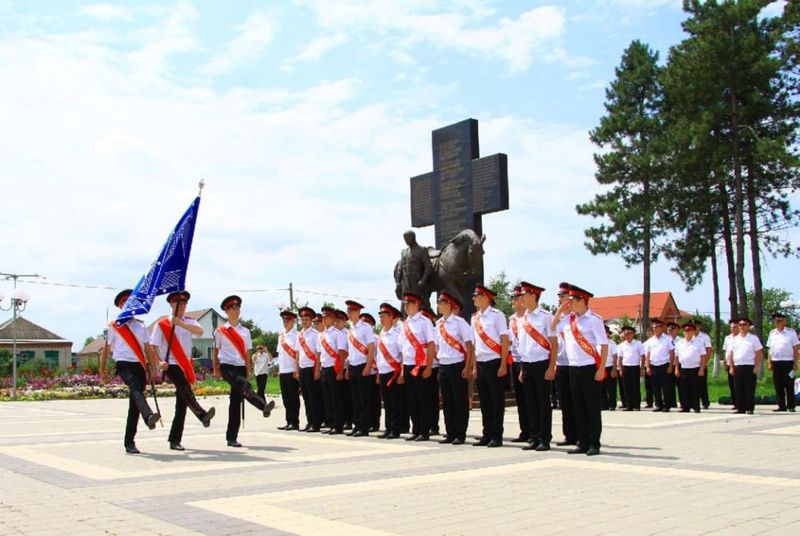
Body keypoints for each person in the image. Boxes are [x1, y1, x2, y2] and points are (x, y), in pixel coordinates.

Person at [148, 291, 215, 451]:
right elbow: (152, 345)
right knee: (185, 388)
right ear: (171, 305)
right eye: (179, 304)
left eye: (184, 304)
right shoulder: (162, 324)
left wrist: (180, 324)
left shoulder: (190, 322)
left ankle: (174, 439)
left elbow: (200, 332)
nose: (182, 306)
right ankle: (201, 414)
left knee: (182, 403)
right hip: (171, 363)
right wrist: (159, 361)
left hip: (185, 364)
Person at [100, 289, 161, 454]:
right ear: (120, 306)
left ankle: (129, 442)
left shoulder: (141, 325)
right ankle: (148, 416)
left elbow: (147, 348)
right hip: (124, 364)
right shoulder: (114, 326)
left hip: (139, 365)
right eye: (124, 302)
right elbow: (106, 349)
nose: (127, 305)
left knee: (134, 406)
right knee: (135, 388)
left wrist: (153, 366)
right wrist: (102, 368)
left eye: (130, 301)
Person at [551, 284, 607, 456]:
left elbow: (603, 345)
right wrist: (561, 308)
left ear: (581, 300)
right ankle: (582, 442)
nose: (569, 302)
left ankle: (594, 444)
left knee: (591, 407)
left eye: (572, 299)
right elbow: (552, 327)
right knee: (578, 407)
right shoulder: (569, 319)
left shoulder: (594, 320)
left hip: (589, 368)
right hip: (573, 368)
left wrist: (601, 368)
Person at [212, 295, 276, 447]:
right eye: (232, 308)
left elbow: (247, 353)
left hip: (240, 366)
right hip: (227, 366)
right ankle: (262, 405)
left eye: (238, 308)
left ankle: (231, 437)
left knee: (236, 401)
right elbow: (216, 350)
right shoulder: (220, 331)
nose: (236, 311)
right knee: (244, 387)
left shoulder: (245, 331)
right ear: (226, 311)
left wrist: (248, 370)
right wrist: (216, 368)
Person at [516, 281, 556, 452]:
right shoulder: (522, 319)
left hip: (542, 364)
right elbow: (521, 344)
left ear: (533, 296)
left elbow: (554, 343)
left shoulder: (546, 316)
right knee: (530, 403)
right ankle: (533, 437)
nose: (521, 298)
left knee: (543, 403)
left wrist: (552, 366)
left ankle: (544, 438)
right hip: (527, 364)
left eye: (524, 295)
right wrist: (522, 368)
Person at [471, 284, 510, 448]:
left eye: (477, 296)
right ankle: (486, 434)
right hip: (480, 363)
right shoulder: (474, 318)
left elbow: (504, 340)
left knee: (496, 401)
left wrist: (503, 364)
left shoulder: (497, 315)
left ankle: (496, 435)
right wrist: (474, 366)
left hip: (494, 362)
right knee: (485, 401)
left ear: (486, 297)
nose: (474, 298)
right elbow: (474, 345)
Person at [435, 291, 474, 445]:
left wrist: (467, 366)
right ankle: (450, 433)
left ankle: (460, 433)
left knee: (459, 401)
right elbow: (437, 346)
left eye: (440, 303)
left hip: (458, 365)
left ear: (449, 305)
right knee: (447, 401)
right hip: (444, 365)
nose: (438, 305)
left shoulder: (460, 323)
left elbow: (469, 346)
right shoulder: (438, 325)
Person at [398, 291, 436, 442]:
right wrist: (401, 370)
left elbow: (431, 345)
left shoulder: (424, 321)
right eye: (405, 304)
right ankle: (416, 429)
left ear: (416, 305)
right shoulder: (404, 324)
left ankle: (424, 431)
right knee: (412, 399)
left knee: (422, 399)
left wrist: (429, 367)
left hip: (421, 364)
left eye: (408, 304)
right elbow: (403, 349)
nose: (406, 307)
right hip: (408, 365)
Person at [344, 300, 376, 437]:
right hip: (353, 366)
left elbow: (371, 348)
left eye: (351, 312)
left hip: (363, 366)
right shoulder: (350, 329)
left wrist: (368, 366)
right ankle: (357, 425)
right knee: (354, 398)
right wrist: (347, 368)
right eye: (348, 311)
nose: (349, 314)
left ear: (358, 312)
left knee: (364, 398)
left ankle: (364, 427)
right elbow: (350, 350)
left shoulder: (365, 328)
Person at [376, 303, 404, 439]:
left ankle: (395, 429)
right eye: (380, 316)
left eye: (383, 316)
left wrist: (402, 373)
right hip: (383, 372)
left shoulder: (397, 334)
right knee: (387, 403)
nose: (381, 319)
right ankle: (388, 428)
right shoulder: (381, 333)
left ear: (391, 317)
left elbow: (403, 354)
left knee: (395, 402)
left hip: (394, 373)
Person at [319, 306, 347, 434]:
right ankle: (330, 423)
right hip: (324, 368)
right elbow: (320, 354)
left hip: (334, 369)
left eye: (327, 317)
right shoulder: (322, 335)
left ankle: (338, 425)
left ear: (332, 318)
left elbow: (342, 354)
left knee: (336, 398)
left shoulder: (338, 334)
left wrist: (341, 371)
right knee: (327, 398)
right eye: (323, 317)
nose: (324, 320)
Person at [727, 317, 763, 415]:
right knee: (738, 388)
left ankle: (749, 408)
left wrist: (757, 366)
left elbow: (759, 353)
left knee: (749, 388)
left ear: (748, 326)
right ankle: (740, 408)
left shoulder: (753, 338)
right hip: (738, 366)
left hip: (749, 366)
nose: (742, 326)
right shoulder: (735, 339)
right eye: (740, 325)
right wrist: (731, 366)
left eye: (744, 324)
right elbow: (731, 354)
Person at [507, 285, 529, 443]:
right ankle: (525, 430)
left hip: (528, 361)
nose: (513, 301)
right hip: (515, 361)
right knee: (521, 399)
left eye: (515, 298)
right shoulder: (512, 320)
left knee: (531, 399)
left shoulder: (528, 318)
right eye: (513, 298)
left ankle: (535, 431)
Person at [296, 307, 323, 432]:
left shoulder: (316, 334)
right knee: (306, 397)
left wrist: (317, 370)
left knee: (314, 397)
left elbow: (318, 354)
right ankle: (309, 421)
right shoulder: (299, 335)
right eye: (302, 319)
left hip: (311, 368)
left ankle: (316, 423)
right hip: (302, 368)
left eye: (307, 319)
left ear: (311, 321)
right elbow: (297, 354)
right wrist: (297, 370)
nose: (304, 321)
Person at [766, 312, 799, 412]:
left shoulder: (791, 332)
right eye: (775, 321)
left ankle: (791, 406)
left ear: (784, 321)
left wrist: (795, 362)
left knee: (789, 384)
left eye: (779, 320)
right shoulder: (772, 333)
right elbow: (770, 349)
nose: (777, 322)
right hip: (776, 362)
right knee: (778, 385)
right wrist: (769, 362)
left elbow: (795, 348)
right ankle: (781, 405)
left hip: (788, 362)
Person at [276, 309, 301, 431]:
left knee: (293, 398)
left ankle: (295, 422)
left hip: (292, 370)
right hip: (283, 371)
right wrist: (279, 369)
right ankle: (288, 421)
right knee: (286, 399)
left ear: (293, 321)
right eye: (284, 320)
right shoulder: (281, 336)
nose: (285, 322)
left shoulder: (296, 335)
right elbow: (280, 355)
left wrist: (297, 370)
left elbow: (297, 354)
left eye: (288, 320)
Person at [674, 322, 707, 413]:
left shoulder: (698, 343)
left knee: (695, 389)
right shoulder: (679, 343)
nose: (687, 332)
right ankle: (685, 407)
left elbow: (703, 356)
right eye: (685, 330)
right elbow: (676, 357)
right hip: (683, 368)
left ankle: (696, 406)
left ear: (693, 331)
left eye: (689, 330)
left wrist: (701, 368)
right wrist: (676, 368)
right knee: (684, 389)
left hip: (695, 368)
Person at [395, 230, 434, 304]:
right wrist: (398, 282)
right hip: (406, 282)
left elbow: (428, 266)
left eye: (407, 238)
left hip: (417, 280)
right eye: (405, 239)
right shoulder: (404, 252)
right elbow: (400, 268)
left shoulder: (422, 250)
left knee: (421, 303)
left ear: (413, 238)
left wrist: (423, 280)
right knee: (406, 303)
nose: (406, 241)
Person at [644, 319, 675, 412]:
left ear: (662, 328)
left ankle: (667, 405)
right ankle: (658, 404)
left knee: (666, 386)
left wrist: (670, 365)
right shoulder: (650, 341)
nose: (654, 329)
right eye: (653, 327)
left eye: (656, 327)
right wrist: (648, 366)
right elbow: (648, 354)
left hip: (664, 365)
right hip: (654, 365)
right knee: (655, 387)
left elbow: (672, 353)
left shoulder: (668, 339)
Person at [360, 312, 382, 432]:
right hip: (365, 371)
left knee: (374, 400)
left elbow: (379, 356)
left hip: (374, 371)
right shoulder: (359, 338)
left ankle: (375, 423)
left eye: (366, 322)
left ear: (371, 325)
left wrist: (378, 373)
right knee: (364, 399)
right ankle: (365, 422)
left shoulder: (376, 338)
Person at [421, 304, 441, 436]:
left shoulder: (436, 331)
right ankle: (424, 424)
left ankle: (433, 425)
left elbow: (438, 350)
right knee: (423, 399)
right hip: (420, 366)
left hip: (433, 367)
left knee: (432, 399)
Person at [617, 326, 645, 411]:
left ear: (633, 334)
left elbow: (642, 356)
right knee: (626, 387)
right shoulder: (622, 345)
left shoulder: (638, 344)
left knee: (635, 387)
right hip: (626, 367)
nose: (627, 335)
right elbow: (620, 358)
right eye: (626, 333)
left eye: (629, 333)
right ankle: (629, 405)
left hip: (635, 367)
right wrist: (621, 370)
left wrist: (641, 369)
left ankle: (636, 405)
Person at [602, 325, 619, 411]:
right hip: (601, 367)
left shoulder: (612, 343)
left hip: (610, 367)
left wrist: (614, 369)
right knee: (602, 387)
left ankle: (612, 404)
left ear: (608, 334)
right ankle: (604, 404)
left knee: (611, 387)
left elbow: (615, 356)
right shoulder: (596, 343)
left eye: (605, 332)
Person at [722, 319, 738, 408]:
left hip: (738, 364)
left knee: (738, 384)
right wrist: (724, 361)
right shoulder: (727, 338)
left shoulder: (740, 337)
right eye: (731, 327)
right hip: (729, 363)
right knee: (732, 384)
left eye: (735, 327)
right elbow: (726, 351)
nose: (733, 329)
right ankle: (735, 402)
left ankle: (741, 402)